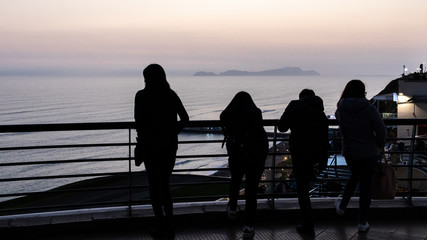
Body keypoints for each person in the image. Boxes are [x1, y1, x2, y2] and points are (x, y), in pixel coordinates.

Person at [134, 64, 189, 238]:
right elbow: (185, 118)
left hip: (150, 147)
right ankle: (170, 223)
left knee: (153, 186)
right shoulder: (170, 95)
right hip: (169, 147)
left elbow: (139, 123)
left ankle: (159, 223)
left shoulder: (141, 96)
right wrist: (172, 132)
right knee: (165, 186)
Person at [335, 80, 386, 232]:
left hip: (350, 151)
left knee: (354, 176)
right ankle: (362, 222)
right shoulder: (369, 108)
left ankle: (342, 206)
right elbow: (381, 130)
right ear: (362, 92)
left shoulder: (340, 108)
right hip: (369, 152)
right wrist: (379, 144)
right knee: (365, 186)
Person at [278, 89, 329, 237]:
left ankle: (308, 224)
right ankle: (308, 223)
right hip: (316, 155)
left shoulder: (295, 105)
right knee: (306, 186)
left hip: (300, 153)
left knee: (303, 191)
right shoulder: (321, 112)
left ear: (301, 98)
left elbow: (282, 127)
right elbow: (325, 137)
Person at [220, 91, 268, 239]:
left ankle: (233, 208)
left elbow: (223, 121)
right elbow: (260, 135)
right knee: (251, 191)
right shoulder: (256, 113)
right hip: (254, 156)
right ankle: (248, 226)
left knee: (235, 181)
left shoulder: (229, 116)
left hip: (236, 155)